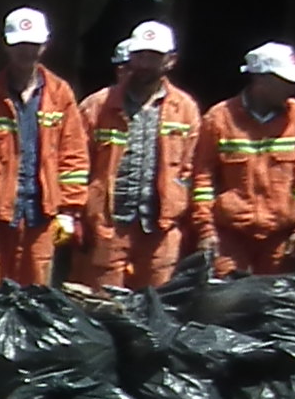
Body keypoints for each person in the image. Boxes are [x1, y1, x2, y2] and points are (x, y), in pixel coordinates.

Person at [0, 6, 81, 287]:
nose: (26, 52)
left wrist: (69, 211)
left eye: (32, 45)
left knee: (35, 299)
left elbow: (74, 159)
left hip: (41, 216)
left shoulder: (60, 94)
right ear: (6, 46)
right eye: (20, 45)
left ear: (44, 46)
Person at [72, 21, 206, 289]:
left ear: (171, 60)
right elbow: (75, 164)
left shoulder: (186, 109)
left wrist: (192, 223)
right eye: (140, 55)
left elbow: (194, 171)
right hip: (107, 228)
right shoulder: (97, 106)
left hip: (160, 230)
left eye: (154, 56)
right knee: (100, 307)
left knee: (155, 308)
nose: (145, 63)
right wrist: (75, 215)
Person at [195, 43, 295, 278]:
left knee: (273, 304)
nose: (292, 89)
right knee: (226, 304)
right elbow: (202, 180)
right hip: (229, 236)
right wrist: (206, 231)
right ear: (261, 81)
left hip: (279, 236)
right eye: (285, 81)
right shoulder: (219, 118)